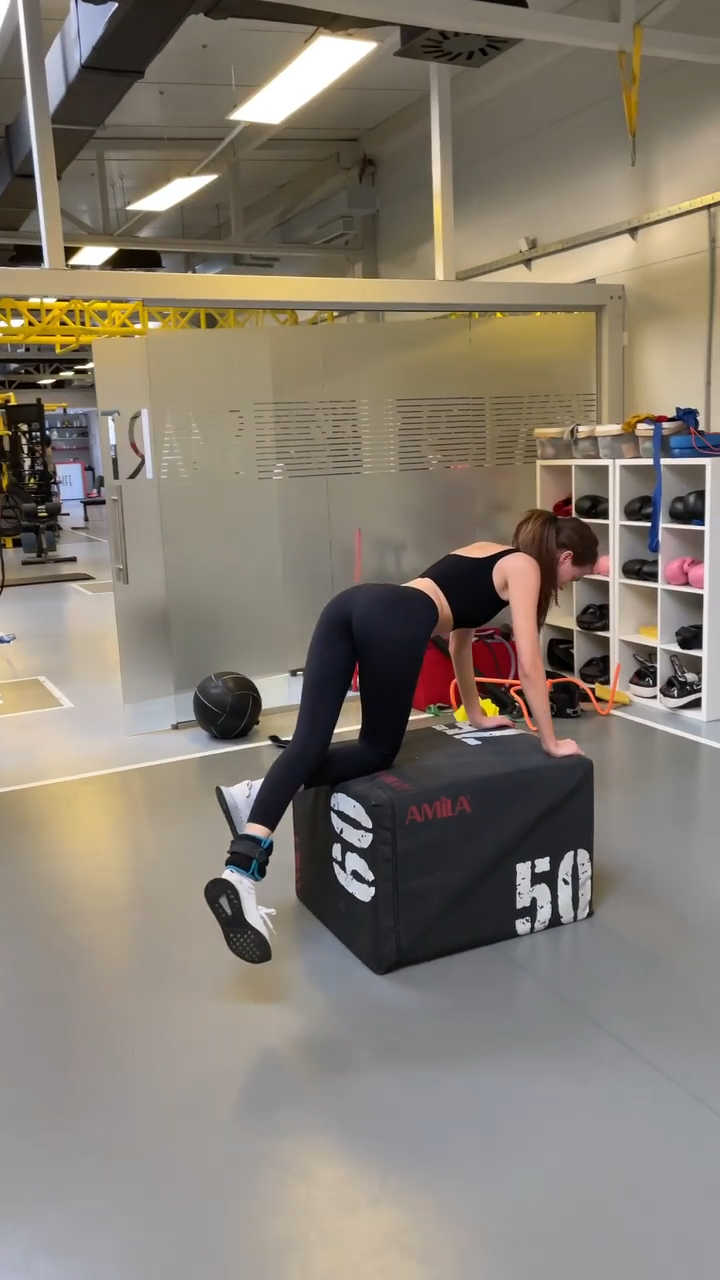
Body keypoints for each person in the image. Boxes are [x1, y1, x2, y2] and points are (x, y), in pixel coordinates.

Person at [204, 508, 599, 965]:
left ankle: (243, 854)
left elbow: (460, 642)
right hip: (396, 619)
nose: (568, 584)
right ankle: (256, 816)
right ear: (564, 558)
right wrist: (550, 741)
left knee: (308, 742)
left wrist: (474, 714)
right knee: (377, 750)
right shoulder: (526, 567)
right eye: (575, 575)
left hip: (351, 604)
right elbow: (528, 663)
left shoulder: (489, 553)